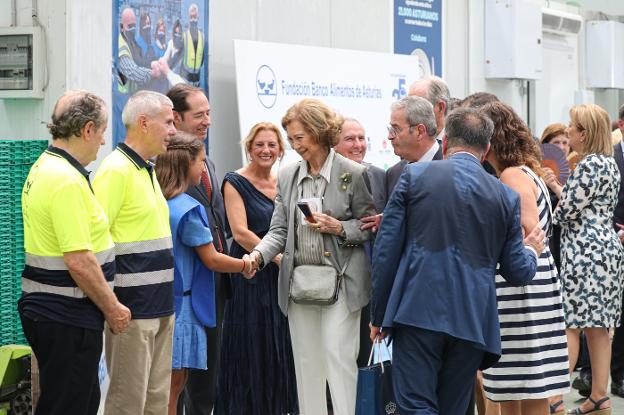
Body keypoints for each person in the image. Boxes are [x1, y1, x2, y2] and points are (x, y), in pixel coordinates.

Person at [370, 107, 545, 414]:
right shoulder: (505, 197)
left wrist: (379, 315)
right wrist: (532, 250)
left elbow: (386, 251)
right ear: (486, 148)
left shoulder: (414, 176)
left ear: (446, 142)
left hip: (417, 311)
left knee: (414, 405)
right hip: (473, 319)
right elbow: (518, 272)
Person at [249, 98, 376, 415]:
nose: (293, 145)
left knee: (337, 356)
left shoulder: (353, 173)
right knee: (306, 365)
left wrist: (339, 227)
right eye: (290, 138)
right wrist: (258, 256)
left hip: (343, 283)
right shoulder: (288, 175)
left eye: (299, 138)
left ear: (319, 132)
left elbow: (369, 226)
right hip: (300, 283)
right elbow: (278, 229)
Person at [18, 91, 131, 415]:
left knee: (66, 400)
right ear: (87, 130)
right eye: (102, 131)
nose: (103, 140)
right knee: (71, 405)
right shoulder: (66, 180)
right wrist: (113, 309)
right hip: (67, 314)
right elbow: (79, 260)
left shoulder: (46, 166)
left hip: (53, 311)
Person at [153, 132, 255, 415]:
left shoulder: (159, 203)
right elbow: (211, 259)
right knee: (174, 386)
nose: (204, 167)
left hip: (163, 301)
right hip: (185, 309)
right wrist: (246, 264)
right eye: (200, 162)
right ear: (187, 165)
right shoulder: (189, 210)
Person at [480, 102, 570, 415]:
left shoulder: (511, 176)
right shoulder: (524, 172)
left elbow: (528, 232)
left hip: (521, 294)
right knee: (529, 388)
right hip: (532, 287)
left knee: (525, 385)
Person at [94, 90, 177, 415]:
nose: (173, 130)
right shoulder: (115, 170)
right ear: (144, 123)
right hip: (131, 312)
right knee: (127, 405)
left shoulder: (146, 169)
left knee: (155, 404)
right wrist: (111, 305)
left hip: (160, 308)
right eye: (168, 122)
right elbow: (95, 243)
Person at [216, 122, 299, 415]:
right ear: (249, 148)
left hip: (281, 275)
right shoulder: (234, 181)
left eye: (271, 145)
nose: (265, 150)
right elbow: (240, 233)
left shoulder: (284, 181)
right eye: (259, 145)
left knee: (279, 340)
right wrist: (276, 258)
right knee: (251, 342)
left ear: (280, 149)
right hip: (250, 271)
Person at [548, 104, 623, 415]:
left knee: (570, 325)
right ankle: (599, 397)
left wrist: (553, 187)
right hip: (606, 252)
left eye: (572, 127)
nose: (568, 132)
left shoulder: (589, 165)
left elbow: (565, 211)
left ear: (584, 133)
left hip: (585, 253)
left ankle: (553, 399)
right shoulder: (609, 164)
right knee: (599, 327)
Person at [166, 84, 228, 415]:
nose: (207, 121)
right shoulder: (167, 169)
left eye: (209, 113)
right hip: (187, 287)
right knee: (178, 380)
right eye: (199, 114)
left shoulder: (209, 163)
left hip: (214, 283)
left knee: (208, 371)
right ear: (175, 118)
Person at [333, 117, 386, 370]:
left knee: (368, 355)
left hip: (373, 277)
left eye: (361, 138)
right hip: (339, 277)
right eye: (350, 139)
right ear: (334, 144)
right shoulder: (329, 176)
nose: (358, 145)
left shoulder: (379, 175)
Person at [361, 96, 441, 234]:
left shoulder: (451, 166)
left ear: (420, 131)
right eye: (390, 129)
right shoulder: (394, 173)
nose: (389, 136)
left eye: (396, 129)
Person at [408, 75, 450, 140]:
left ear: (440, 107)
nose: (410, 112)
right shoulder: (408, 141)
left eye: (418, 106)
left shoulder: (458, 143)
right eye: (409, 104)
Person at [181, 3, 205, 86]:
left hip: (197, 79)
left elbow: (202, 57)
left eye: (194, 17)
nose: (193, 19)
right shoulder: (184, 36)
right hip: (186, 78)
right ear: (188, 18)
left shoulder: (202, 36)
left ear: (198, 17)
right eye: (191, 17)